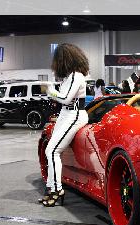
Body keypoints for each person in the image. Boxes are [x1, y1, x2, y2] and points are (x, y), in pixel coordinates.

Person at [39, 43, 89, 207]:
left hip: (74, 114)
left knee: (52, 150)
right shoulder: (70, 76)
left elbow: (66, 98)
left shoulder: (76, 76)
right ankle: (51, 188)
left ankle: (56, 189)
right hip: (67, 114)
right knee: (50, 150)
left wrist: (51, 91)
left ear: (64, 59)